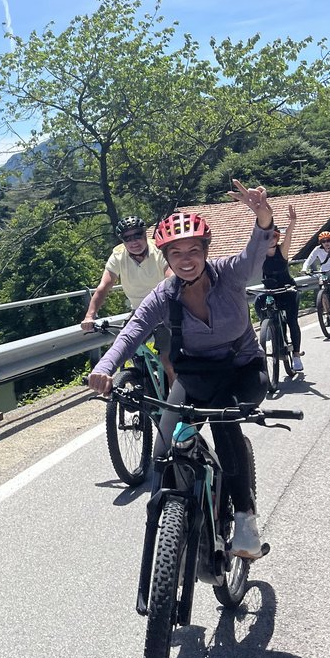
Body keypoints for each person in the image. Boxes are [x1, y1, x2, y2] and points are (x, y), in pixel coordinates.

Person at [87, 180, 276, 559]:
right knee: (165, 446)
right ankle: (168, 524)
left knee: (224, 426)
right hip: (196, 376)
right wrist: (106, 367)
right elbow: (134, 330)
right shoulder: (165, 294)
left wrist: (262, 216)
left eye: (194, 250)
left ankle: (244, 519)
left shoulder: (230, 274)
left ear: (206, 250)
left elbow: (256, 254)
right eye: (177, 253)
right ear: (167, 259)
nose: (186, 259)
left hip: (242, 370)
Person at [82, 214, 175, 386]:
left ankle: (174, 405)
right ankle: (144, 381)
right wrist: (90, 315)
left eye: (138, 235)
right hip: (139, 311)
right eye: (127, 238)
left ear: (145, 234)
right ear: (122, 240)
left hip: (164, 308)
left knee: (167, 360)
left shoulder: (160, 250)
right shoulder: (118, 256)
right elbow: (103, 287)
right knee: (125, 348)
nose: (134, 241)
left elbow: (171, 278)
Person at [257, 204, 303, 373]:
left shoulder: (282, 250)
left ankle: (296, 356)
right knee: (257, 301)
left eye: (274, 236)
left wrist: (292, 222)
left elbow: (289, 236)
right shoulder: (259, 253)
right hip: (271, 292)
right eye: (268, 236)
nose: (272, 239)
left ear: (277, 238)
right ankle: (269, 328)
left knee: (292, 321)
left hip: (287, 290)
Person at [304, 229, 330, 293]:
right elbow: (310, 259)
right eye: (323, 241)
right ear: (321, 243)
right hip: (325, 272)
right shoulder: (317, 249)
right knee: (322, 286)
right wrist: (304, 268)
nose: (326, 243)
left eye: (328, 240)